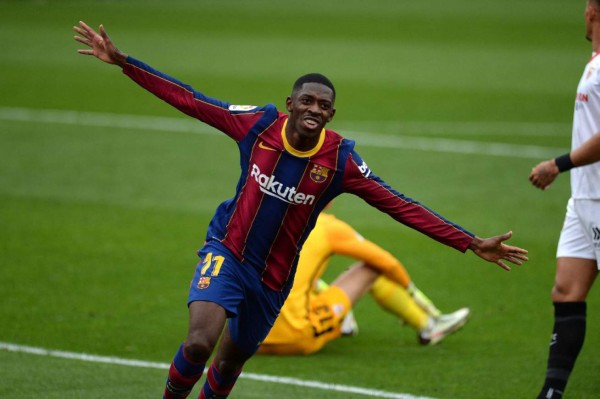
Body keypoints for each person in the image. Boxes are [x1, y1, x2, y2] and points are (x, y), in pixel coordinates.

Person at [73, 21, 528, 399]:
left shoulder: (340, 161)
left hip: (272, 280)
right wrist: (124, 63)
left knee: (229, 361)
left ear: (332, 114)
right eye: (306, 101)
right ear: (291, 103)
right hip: (227, 252)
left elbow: (401, 206)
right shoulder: (259, 125)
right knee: (198, 343)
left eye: (323, 106)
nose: (314, 109)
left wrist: (469, 242)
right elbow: (191, 100)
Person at [257, 209, 470, 356]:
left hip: (250, 342)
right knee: (371, 267)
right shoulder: (326, 225)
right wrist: (414, 293)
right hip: (298, 338)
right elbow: (387, 262)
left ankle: (342, 320)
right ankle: (428, 325)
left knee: (280, 273)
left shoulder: (259, 218)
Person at [529, 1, 600, 397]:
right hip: (585, 200)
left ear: (592, 10)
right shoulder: (595, 62)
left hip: (599, 198)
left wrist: (558, 164)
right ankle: (552, 393)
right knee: (566, 291)